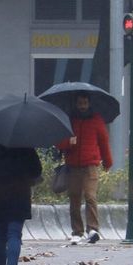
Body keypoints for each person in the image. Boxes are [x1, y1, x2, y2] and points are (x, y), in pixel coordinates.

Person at [56, 93, 112, 243]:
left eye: (85, 103)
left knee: (90, 196)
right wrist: (69, 142)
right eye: (80, 103)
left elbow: (103, 141)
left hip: (90, 165)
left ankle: (92, 229)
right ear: (76, 104)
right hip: (72, 166)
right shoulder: (69, 120)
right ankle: (77, 231)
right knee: (74, 198)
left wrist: (107, 162)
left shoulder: (96, 120)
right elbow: (59, 143)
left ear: (89, 104)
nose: (82, 106)